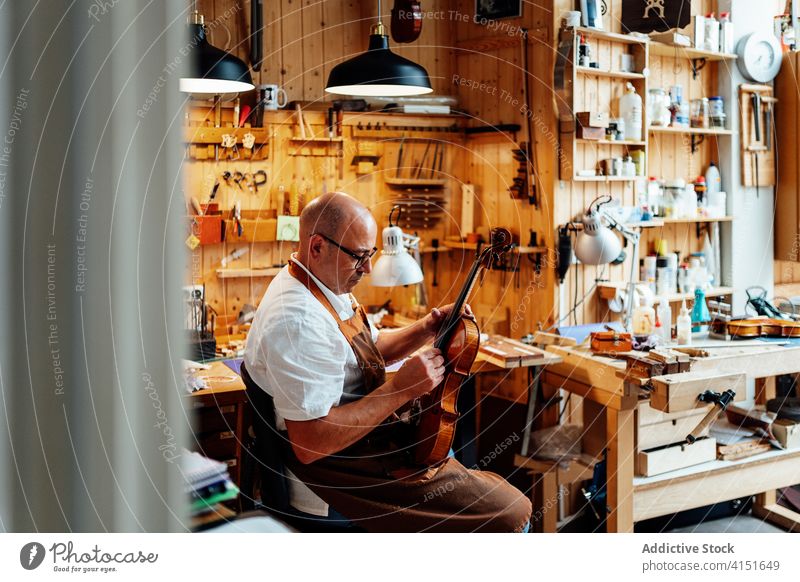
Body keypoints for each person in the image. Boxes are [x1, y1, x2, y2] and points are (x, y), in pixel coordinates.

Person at [243, 192, 531, 532]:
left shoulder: (317, 281)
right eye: (359, 256)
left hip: (368, 442)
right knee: (513, 513)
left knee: (468, 478)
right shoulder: (298, 320)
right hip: (340, 470)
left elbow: (368, 348)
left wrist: (425, 327)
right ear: (317, 246)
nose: (367, 268)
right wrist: (399, 389)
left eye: (371, 254)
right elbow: (311, 442)